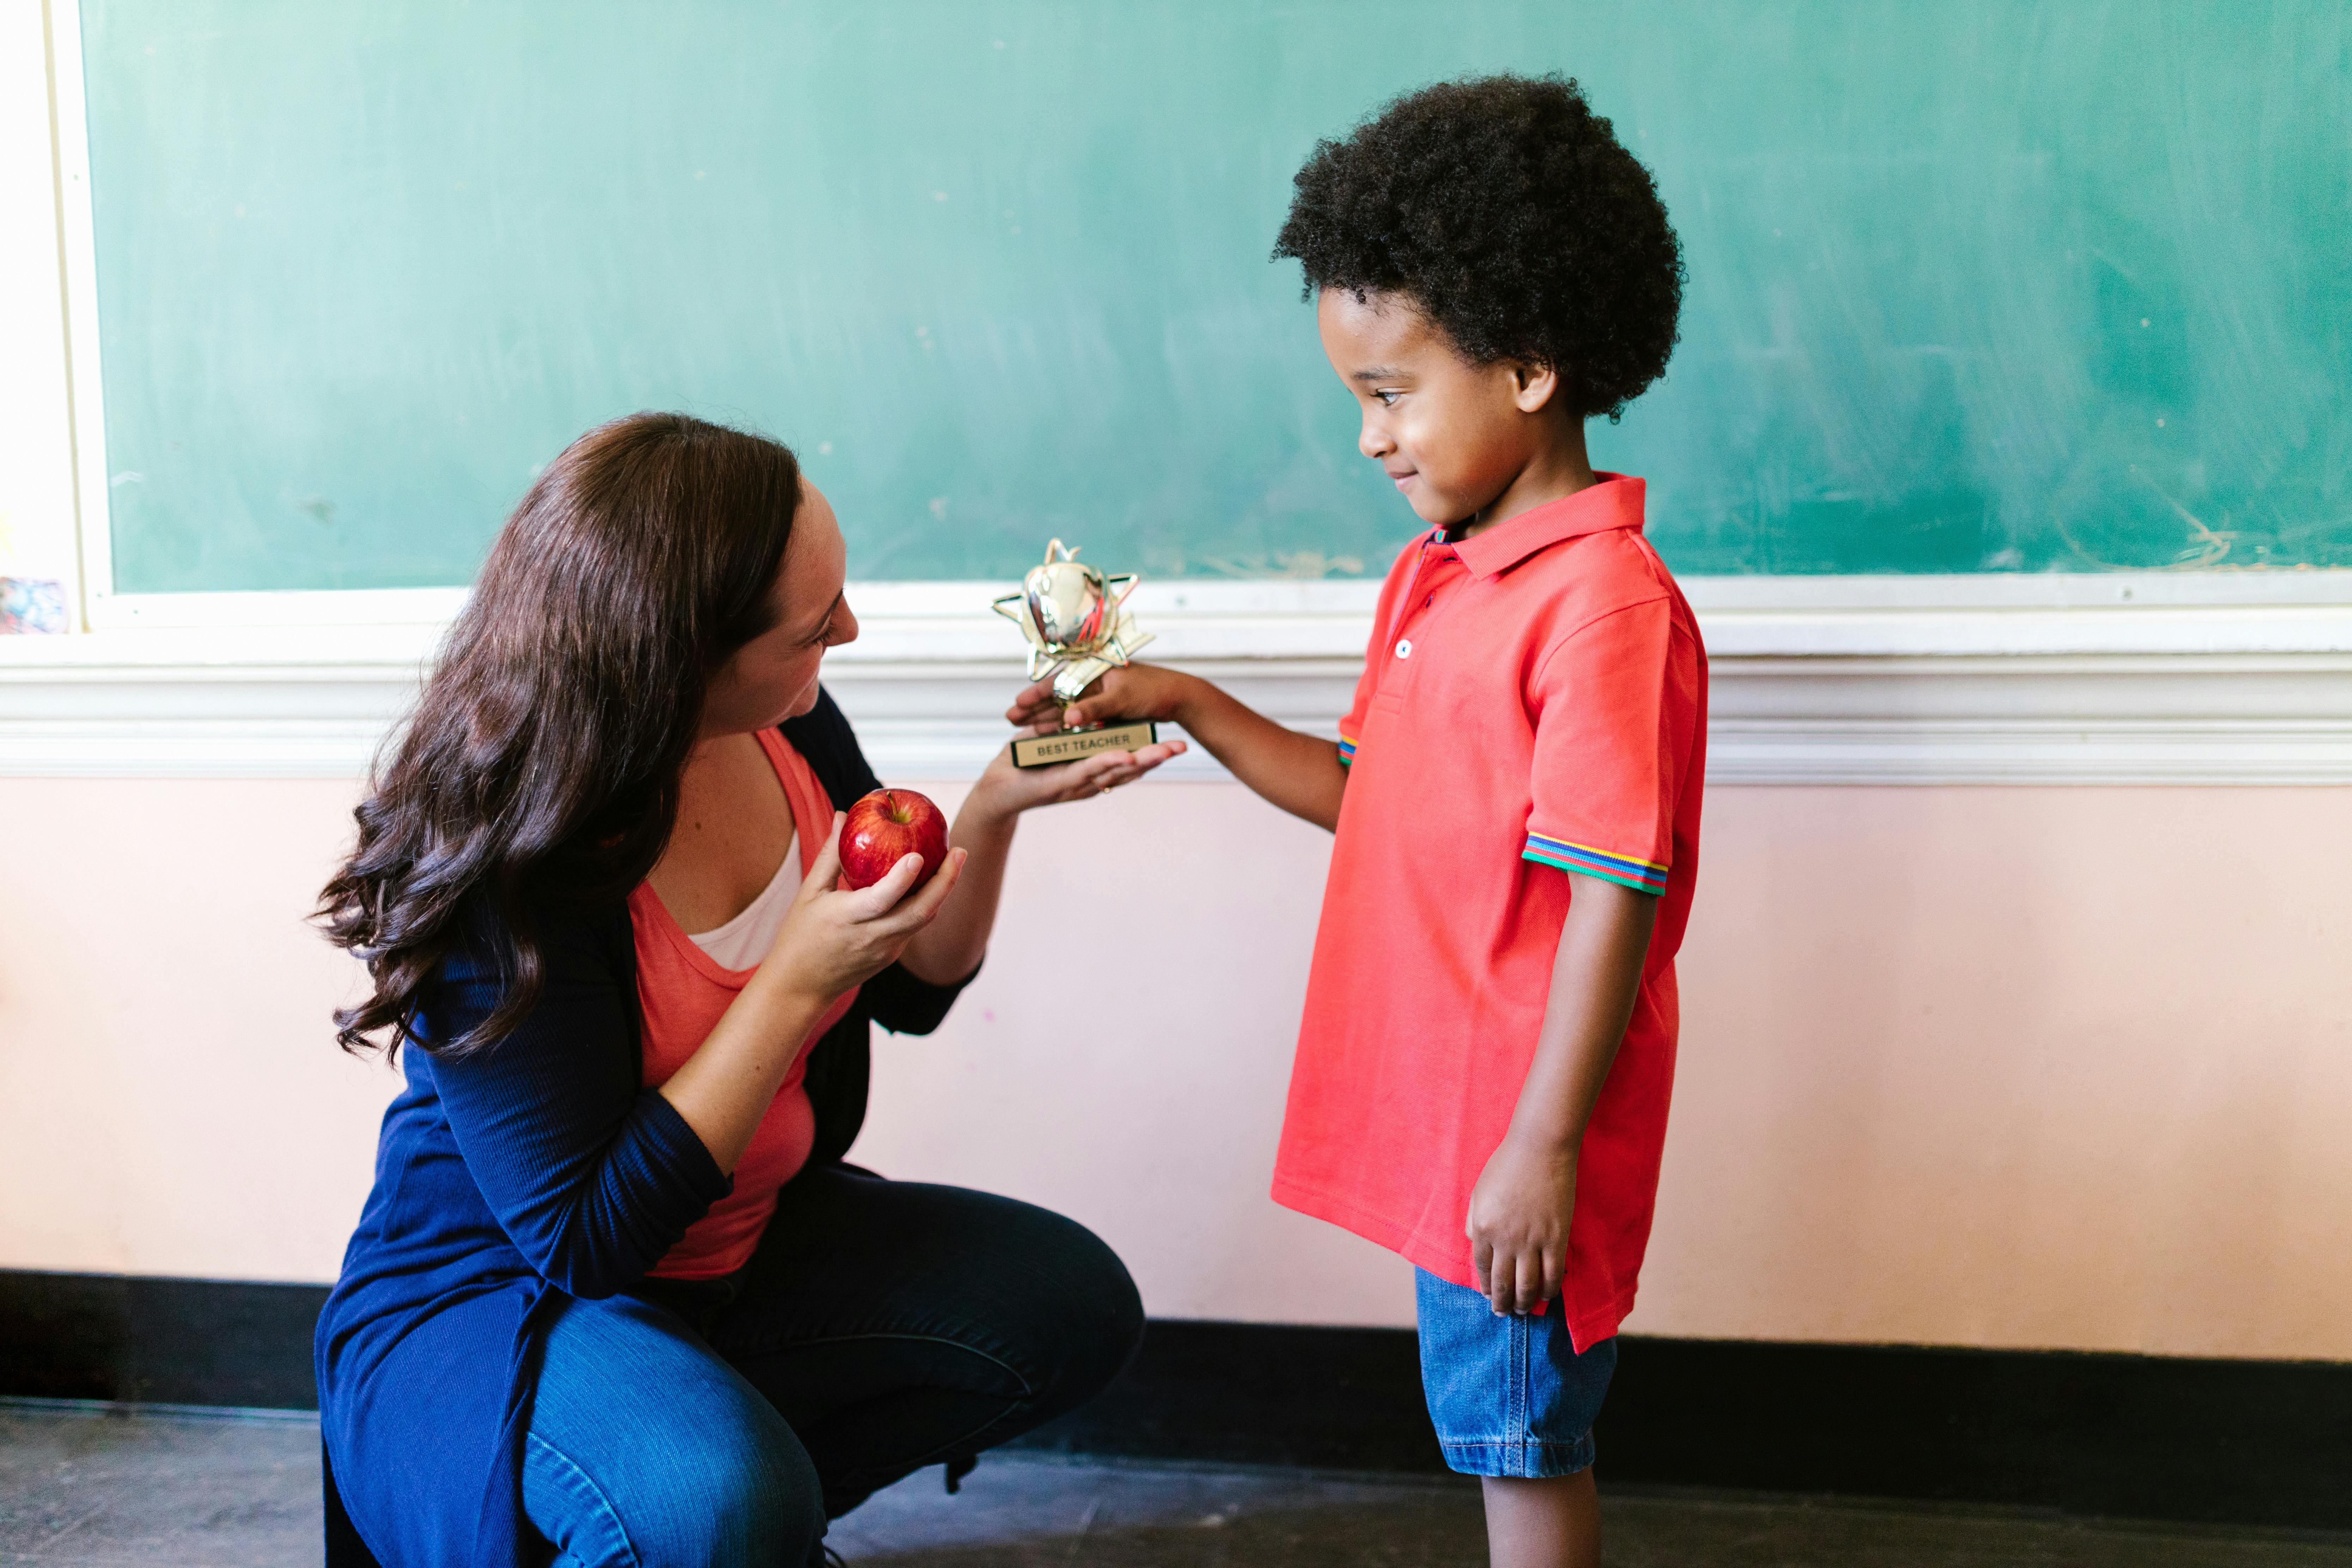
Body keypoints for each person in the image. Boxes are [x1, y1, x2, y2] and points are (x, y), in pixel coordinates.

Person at [1008, 75, 1701, 1568]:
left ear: (1527, 364)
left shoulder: (1602, 607)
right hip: (1455, 1120)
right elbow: (1364, 794)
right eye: (1357, 401)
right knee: (1495, 1427)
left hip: (1510, 1130)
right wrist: (1185, 698)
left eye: (1392, 394)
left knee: (1524, 1443)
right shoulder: (1440, 574)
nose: (1371, 439)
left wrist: (1540, 1142)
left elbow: (1612, 893)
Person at [313, 412, 1184, 1567]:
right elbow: (583, 1241)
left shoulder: (790, 722)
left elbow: (912, 991)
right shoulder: (515, 858)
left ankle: (736, 1529)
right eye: (816, 628)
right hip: (506, 1302)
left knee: (1068, 1304)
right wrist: (788, 986)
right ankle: (695, 1523)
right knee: (716, 1501)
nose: (851, 632)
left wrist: (990, 809)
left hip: (741, 1247)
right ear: (678, 657)